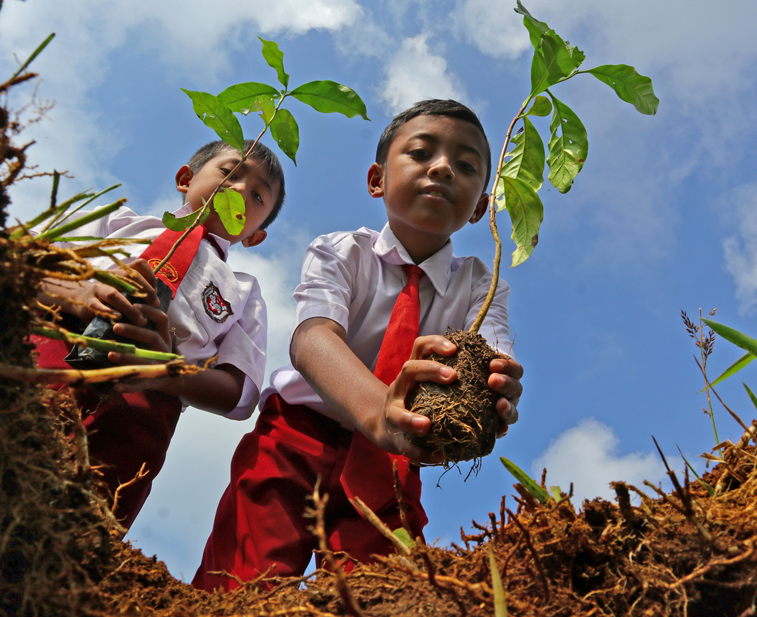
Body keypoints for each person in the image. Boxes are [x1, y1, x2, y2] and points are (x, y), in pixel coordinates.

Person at [192, 100, 523, 591]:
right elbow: (313, 338)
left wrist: (497, 390)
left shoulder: (480, 284)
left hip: (393, 463)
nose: (442, 168)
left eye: (466, 165)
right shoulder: (341, 251)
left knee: (384, 590)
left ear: (480, 208)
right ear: (377, 180)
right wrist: (377, 413)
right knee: (240, 581)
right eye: (421, 153)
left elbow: (493, 355)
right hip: (295, 436)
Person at [34, 139, 285, 530]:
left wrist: (164, 373)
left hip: (141, 408)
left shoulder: (245, 293)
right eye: (230, 172)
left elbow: (239, 392)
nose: (238, 189)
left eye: (257, 196)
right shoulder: (116, 222)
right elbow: (22, 262)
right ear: (185, 178)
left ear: (254, 236)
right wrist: (79, 295)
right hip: (48, 348)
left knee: (84, 521)